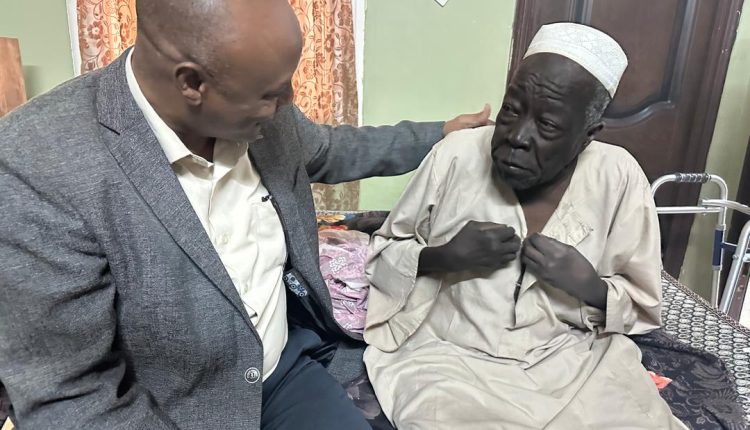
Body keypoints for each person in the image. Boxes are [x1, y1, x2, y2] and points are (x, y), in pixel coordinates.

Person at [0, 0, 491, 429]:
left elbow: (329, 149)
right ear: (192, 83)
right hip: (172, 407)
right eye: (272, 93)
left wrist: (440, 133)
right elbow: (71, 394)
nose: (288, 103)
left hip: (283, 371)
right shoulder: (39, 165)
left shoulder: (263, 111)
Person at [364, 23, 688, 429]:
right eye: (511, 111)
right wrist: (443, 257)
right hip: (449, 356)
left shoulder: (617, 176)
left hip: (573, 362)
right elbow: (383, 255)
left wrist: (588, 285)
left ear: (587, 136)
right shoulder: (456, 155)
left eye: (547, 126)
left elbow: (642, 303)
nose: (517, 136)